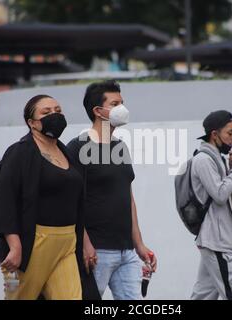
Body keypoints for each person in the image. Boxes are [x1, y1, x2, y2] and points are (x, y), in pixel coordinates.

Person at [67, 80, 157, 300]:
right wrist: (85, 244)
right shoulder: (77, 147)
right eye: (115, 103)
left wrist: (139, 244)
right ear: (98, 111)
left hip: (126, 252)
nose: (122, 109)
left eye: (122, 102)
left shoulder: (120, 147)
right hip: (97, 251)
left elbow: (128, 197)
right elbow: (71, 202)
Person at [0, 94, 83, 300]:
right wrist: (14, 246)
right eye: (46, 112)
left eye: (58, 110)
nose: (54, 115)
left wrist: (86, 242)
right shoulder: (19, 152)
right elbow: (6, 201)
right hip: (32, 243)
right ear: (32, 123)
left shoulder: (66, 152)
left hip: (67, 242)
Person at [190, 110, 232, 300]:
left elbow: (227, 193)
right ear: (214, 134)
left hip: (218, 239)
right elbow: (219, 195)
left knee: (203, 296)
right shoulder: (203, 159)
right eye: (230, 133)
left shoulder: (217, 159)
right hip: (217, 241)